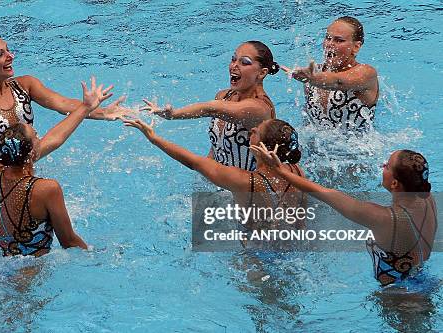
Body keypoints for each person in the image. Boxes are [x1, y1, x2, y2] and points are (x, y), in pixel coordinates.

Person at [252, 145, 436, 286]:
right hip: (422, 282)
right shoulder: (428, 199)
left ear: (395, 183)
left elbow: (325, 194)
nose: (382, 166)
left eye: (387, 166)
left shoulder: (385, 219)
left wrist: (280, 170)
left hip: (398, 299)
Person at [0, 34, 132, 184]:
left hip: (27, 170)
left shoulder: (25, 85)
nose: (10, 56)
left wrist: (103, 112)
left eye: (8, 50)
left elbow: (63, 104)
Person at [0, 77, 113, 256]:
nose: (41, 139)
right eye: (37, 136)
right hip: (31, 272)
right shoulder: (46, 188)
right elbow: (68, 241)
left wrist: (85, 107)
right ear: (32, 154)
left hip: (2, 264)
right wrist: (97, 255)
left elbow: (55, 138)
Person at [124, 118, 306, 233]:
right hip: (290, 246)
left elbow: (194, 162)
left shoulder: (244, 181)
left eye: (256, 131)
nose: (251, 130)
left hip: (256, 256)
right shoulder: (297, 171)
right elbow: (300, 223)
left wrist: (154, 138)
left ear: (262, 147)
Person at [142, 41, 280, 171]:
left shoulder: (258, 109)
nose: (234, 66)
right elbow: (217, 148)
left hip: (251, 190)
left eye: (244, 62)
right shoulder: (224, 96)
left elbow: (211, 108)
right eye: (233, 59)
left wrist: (173, 115)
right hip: (222, 183)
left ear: (262, 73)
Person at [282, 16, 379, 133]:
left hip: (361, 149)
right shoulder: (313, 73)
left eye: (339, 40)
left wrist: (312, 78)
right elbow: (309, 121)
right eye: (328, 38)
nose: (330, 44)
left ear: (356, 47)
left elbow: (338, 81)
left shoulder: (366, 73)